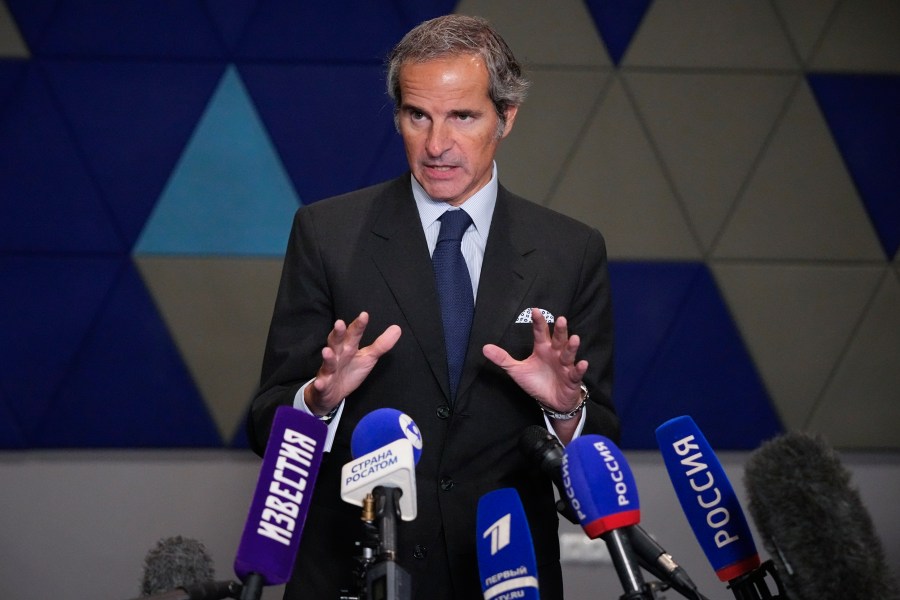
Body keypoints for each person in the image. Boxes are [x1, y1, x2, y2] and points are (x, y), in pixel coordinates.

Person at [248, 14, 619, 600]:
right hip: (351, 570)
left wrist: (567, 413)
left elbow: (601, 451)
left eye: (462, 117)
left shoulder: (569, 251)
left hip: (503, 575)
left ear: (507, 117)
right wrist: (315, 404)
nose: (437, 144)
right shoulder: (327, 233)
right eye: (417, 115)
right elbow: (266, 421)